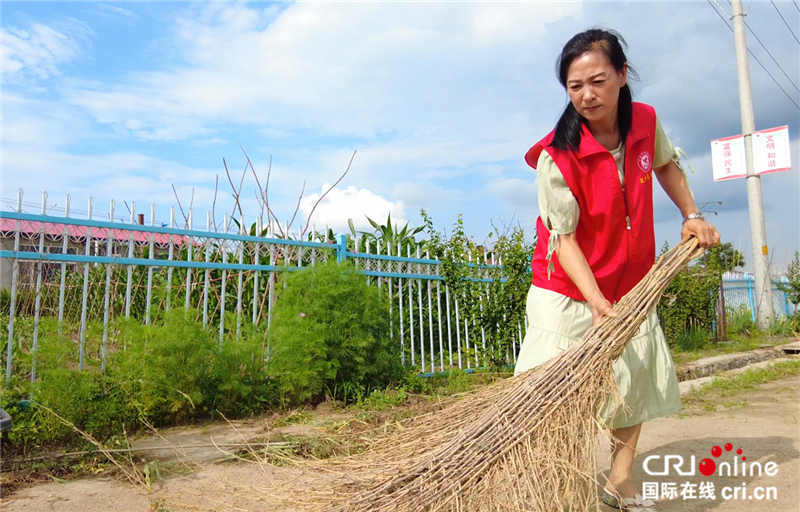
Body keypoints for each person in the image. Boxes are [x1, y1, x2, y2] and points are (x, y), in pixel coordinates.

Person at [515, 28, 720, 511]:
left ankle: (620, 480)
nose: (587, 94)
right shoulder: (557, 156)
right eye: (574, 86)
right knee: (547, 394)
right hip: (568, 288)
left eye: (598, 80)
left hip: (632, 284)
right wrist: (596, 302)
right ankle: (550, 486)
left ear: (623, 76)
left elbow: (666, 165)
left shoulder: (645, 122)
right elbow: (563, 241)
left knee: (633, 384)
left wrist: (691, 215)